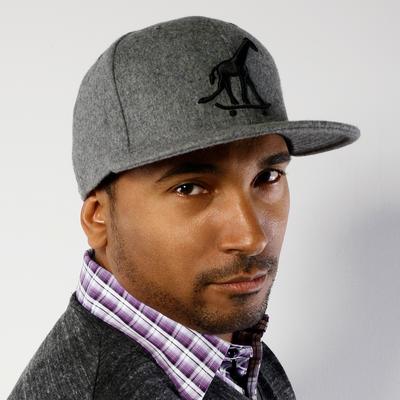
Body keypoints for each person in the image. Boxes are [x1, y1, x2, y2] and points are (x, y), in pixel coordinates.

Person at [8, 15, 360, 400]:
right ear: (98, 218)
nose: (252, 238)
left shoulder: (226, 350)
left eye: (268, 177)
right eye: (190, 188)